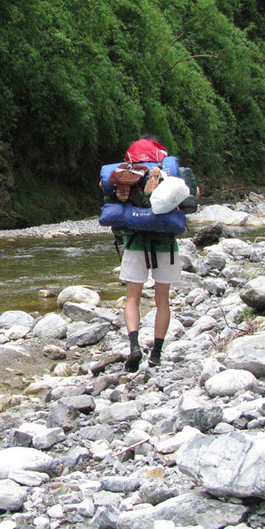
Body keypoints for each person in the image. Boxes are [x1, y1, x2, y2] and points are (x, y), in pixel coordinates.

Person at [112, 135, 183, 372]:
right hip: (165, 243)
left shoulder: (128, 171)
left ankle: (133, 345)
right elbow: (192, 196)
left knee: (132, 298)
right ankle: (157, 353)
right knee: (162, 301)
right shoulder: (170, 172)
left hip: (135, 241)